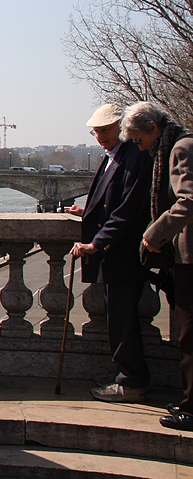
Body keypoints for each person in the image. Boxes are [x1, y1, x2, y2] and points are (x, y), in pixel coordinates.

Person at [66, 104, 152, 403]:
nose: (99, 137)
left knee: (123, 319)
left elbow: (128, 211)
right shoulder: (117, 156)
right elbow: (111, 203)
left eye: (105, 130)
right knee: (117, 317)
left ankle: (132, 380)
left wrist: (97, 242)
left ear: (122, 128)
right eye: (96, 131)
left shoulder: (135, 157)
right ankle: (124, 374)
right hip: (114, 252)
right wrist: (86, 211)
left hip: (122, 253)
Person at [119, 101, 193, 430]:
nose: (139, 146)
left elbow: (188, 201)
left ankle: (192, 410)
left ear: (153, 128)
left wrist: (154, 235)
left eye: (138, 139)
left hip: (190, 258)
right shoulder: (180, 144)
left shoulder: (180, 149)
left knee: (189, 332)